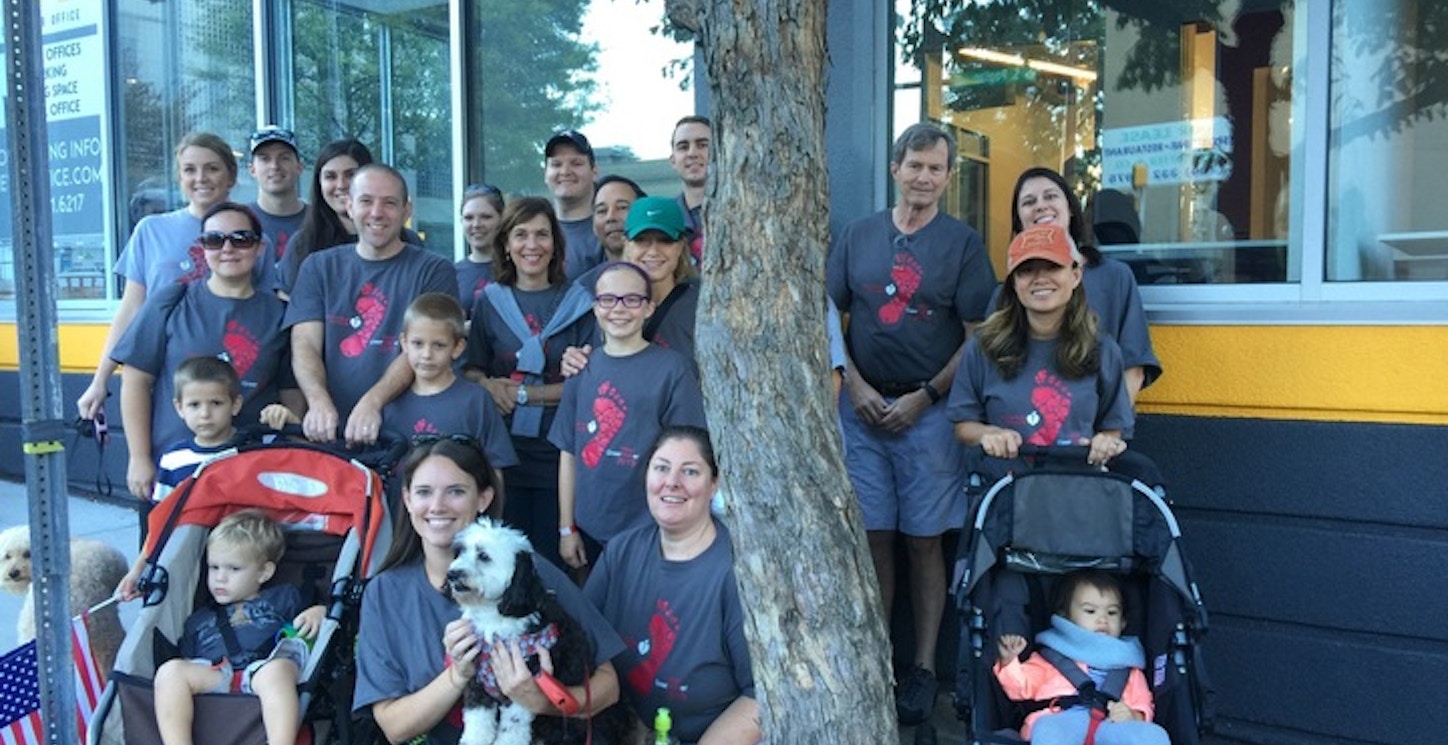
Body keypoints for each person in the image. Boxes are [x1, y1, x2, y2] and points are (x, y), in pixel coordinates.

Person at [825, 122, 997, 725]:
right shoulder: (858, 236)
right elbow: (828, 316)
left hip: (931, 413)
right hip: (863, 407)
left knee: (925, 540)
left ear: (949, 179)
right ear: (895, 168)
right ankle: (878, 658)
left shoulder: (963, 244)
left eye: (936, 169)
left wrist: (926, 397)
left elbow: (980, 338)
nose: (924, 178)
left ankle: (922, 668)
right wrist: (857, 385)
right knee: (872, 536)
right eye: (915, 165)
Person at [353, 438, 624, 745]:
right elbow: (394, 726)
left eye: (456, 491)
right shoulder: (384, 593)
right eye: (424, 492)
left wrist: (544, 701)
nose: (437, 506)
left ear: (483, 499)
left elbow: (608, 686)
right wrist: (458, 675)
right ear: (407, 499)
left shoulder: (527, 571)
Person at [111, 202, 299, 501]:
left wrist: (289, 430)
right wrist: (138, 457)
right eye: (215, 240)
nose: (228, 248)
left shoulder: (280, 314)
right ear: (202, 247)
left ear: (259, 247)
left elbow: (292, 395)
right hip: (175, 467)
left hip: (252, 467)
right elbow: (135, 381)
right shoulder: (171, 301)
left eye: (241, 239)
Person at [584, 426, 761, 745]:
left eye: (690, 471)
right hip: (623, 729)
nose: (672, 482)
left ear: (714, 484)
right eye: (661, 468)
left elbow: (760, 696)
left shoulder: (737, 571)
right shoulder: (621, 551)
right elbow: (584, 644)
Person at [78, 132, 257, 421]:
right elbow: (131, 310)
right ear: (179, 177)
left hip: (228, 383)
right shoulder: (151, 230)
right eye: (190, 170)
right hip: (163, 377)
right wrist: (100, 380)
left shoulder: (248, 237)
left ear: (231, 175)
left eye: (212, 168)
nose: (201, 178)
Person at [549, 261, 707, 571]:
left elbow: (688, 455)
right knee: (593, 613)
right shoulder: (581, 369)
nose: (619, 308)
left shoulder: (672, 370)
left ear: (649, 308)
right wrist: (566, 528)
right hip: (589, 527)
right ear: (595, 307)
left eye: (632, 299)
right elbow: (568, 451)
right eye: (608, 299)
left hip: (649, 528)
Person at [464, 197, 596, 566]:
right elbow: (472, 369)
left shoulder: (580, 303)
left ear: (556, 242)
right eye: (520, 235)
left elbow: (589, 384)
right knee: (504, 564)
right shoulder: (489, 302)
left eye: (542, 234)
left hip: (560, 457)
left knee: (555, 565)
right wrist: (490, 386)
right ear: (505, 243)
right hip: (502, 455)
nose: (532, 245)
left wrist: (525, 394)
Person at [284, 163, 457, 444]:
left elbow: (426, 345)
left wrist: (372, 402)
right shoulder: (317, 267)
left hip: (407, 434)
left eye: (389, 203)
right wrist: (317, 402)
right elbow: (305, 344)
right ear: (349, 206)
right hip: (330, 433)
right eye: (366, 201)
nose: (377, 213)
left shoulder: (434, 270)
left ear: (406, 210)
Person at [948, 223, 1133, 474]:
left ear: (1075, 275)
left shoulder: (1103, 349)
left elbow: (1113, 426)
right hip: (1005, 494)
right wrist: (988, 434)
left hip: (1079, 493)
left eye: (1052, 266)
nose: (1040, 278)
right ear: (1013, 282)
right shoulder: (983, 346)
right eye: (1026, 270)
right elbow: (962, 424)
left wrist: (1105, 443)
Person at [152, 509, 325, 745]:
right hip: (217, 672)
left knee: (277, 672)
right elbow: (189, 660)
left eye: (233, 569)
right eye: (214, 568)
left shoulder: (284, 597)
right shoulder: (199, 619)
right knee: (169, 672)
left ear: (264, 572)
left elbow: (308, 621)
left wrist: (319, 612)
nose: (220, 578)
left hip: (264, 668)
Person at [1010, 167, 1161, 403]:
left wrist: (1110, 430)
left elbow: (1134, 368)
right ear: (1019, 220)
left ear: (1070, 208)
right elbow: (990, 370)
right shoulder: (1011, 287)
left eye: (1050, 196)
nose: (1040, 206)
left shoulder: (1115, 277)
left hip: (1096, 431)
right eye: (1029, 202)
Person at [994, 570, 1168, 745]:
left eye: (1112, 613)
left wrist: (1134, 715)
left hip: (1112, 724)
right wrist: (1009, 661)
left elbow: (1144, 703)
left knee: (1154, 735)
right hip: (1063, 721)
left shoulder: (1128, 666)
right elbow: (1020, 687)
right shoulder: (1052, 657)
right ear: (1066, 617)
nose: (1103, 619)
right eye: (1090, 611)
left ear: (1123, 622)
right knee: (1047, 728)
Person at [381, 293, 518, 488]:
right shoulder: (389, 402)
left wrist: (489, 516)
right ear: (404, 343)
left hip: (458, 515)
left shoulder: (476, 400)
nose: (427, 354)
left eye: (438, 345)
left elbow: (494, 469)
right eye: (418, 344)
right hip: (396, 513)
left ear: (458, 347)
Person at [544, 129, 603, 280]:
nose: (565, 171)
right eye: (556, 164)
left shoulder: (608, 229)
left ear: (594, 171)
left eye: (576, 163)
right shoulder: (533, 229)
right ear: (546, 174)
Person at [246, 126, 307, 269]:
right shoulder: (239, 221)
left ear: (299, 167)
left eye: (284, 158)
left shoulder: (320, 219)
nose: (274, 166)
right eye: (264, 159)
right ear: (252, 170)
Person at [574, 175, 646, 293]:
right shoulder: (584, 290)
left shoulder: (665, 281)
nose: (611, 217)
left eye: (622, 207)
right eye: (602, 211)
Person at [455, 183, 505, 313]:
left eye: (486, 217)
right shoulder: (450, 274)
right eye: (469, 218)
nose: (476, 224)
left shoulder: (518, 269)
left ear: (502, 219)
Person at [669, 115, 711, 266]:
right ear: (673, 160)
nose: (692, 153)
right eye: (683, 147)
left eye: (702, 145)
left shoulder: (745, 212)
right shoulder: (665, 217)